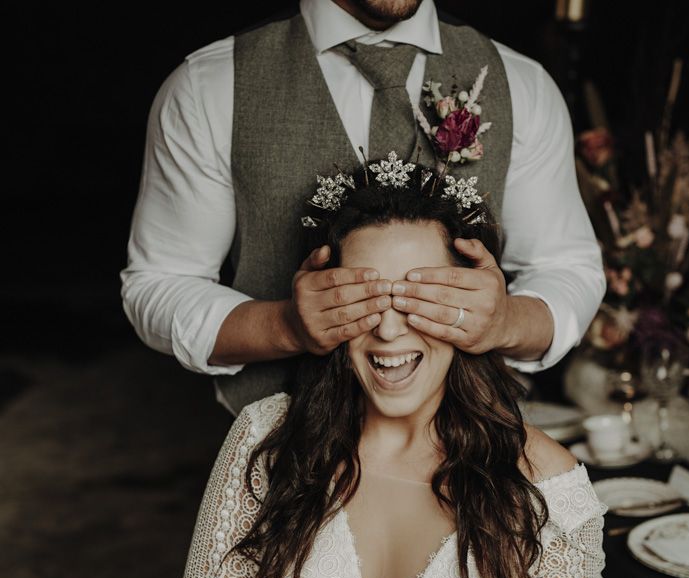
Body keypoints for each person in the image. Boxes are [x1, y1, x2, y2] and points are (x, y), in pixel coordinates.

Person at [170, 157, 610, 578]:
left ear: (472, 304)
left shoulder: (544, 479)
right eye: (365, 298)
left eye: (420, 297)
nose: (388, 330)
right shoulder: (265, 438)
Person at [120, 0, 606, 415]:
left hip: (473, 460)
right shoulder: (209, 87)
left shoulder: (521, 84)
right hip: (279, 463)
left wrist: (504, 321)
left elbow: (567, 269)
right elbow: (160, 283)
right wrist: (284, 325)